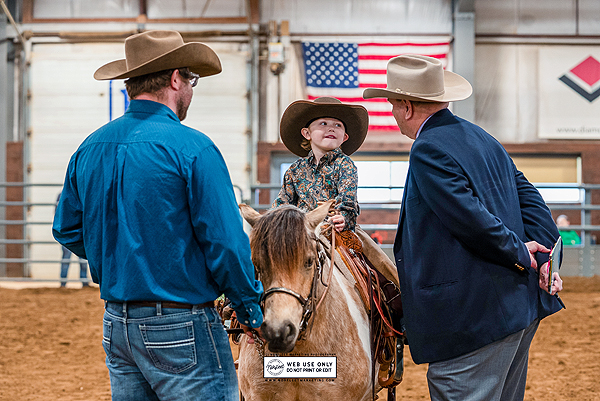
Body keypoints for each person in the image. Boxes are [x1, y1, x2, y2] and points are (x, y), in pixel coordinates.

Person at [52, 30, 263, 401]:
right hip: (183, 324)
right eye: (191, 80)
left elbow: (66, 228)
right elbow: (225, 242)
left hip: (118, 323)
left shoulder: (89, 147)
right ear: (175, 78)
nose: (191, 91)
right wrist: (248, 305)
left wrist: (121, 258)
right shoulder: (194, 147)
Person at [363, 54, 564, 401]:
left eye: (393, 105)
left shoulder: (428, 149)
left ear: (407, 107)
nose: (394, 114)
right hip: (516, 308)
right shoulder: (481, 137)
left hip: (472, 318)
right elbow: (528, 195)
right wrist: (545, 254)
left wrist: (522, 253)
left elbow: (470, 220)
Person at [272, 96, 368, 232]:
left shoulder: (345, 165)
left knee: (368, 252)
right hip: (301, 232)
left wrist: (343, 217)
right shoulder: (295, 170)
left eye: (338, 125)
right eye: (323, 123)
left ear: (344, 137)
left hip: (333, 229)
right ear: (307, 133)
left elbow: (348, 200)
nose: (331, 129)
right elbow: (283, 202)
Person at [56, 192, 89, 288]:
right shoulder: (62, 195)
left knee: (80, 259)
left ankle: (83, 281)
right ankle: (63, 282)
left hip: (74, 232)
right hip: (72, 232)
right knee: (69, 259)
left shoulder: (78, 195)